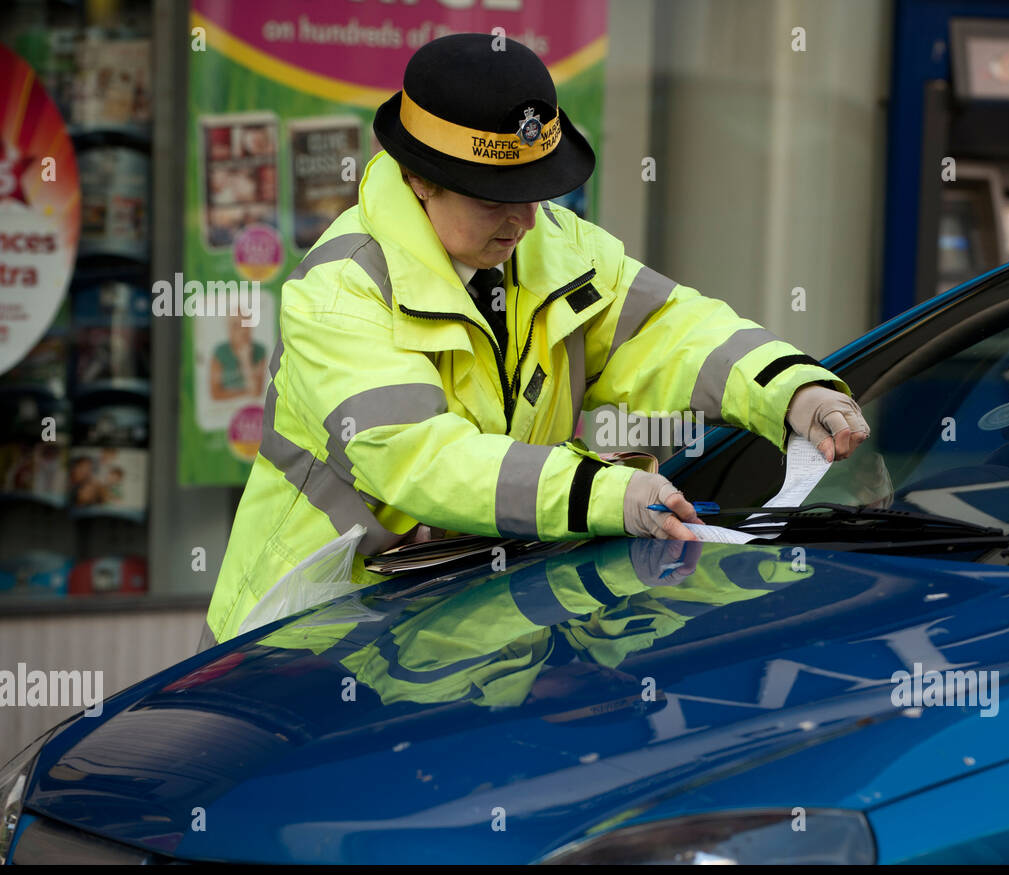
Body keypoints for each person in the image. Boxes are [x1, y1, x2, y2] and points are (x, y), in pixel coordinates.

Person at [204, 33, 868, 646]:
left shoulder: (550, 240)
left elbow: (665, 332)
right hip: (302, 647)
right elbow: (418, 458)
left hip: (463, 637)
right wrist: (602, 495)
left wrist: (791, 387)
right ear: (420, 178)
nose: (526, 218)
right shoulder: (342, 289)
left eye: (537, 190)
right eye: (496, 197)